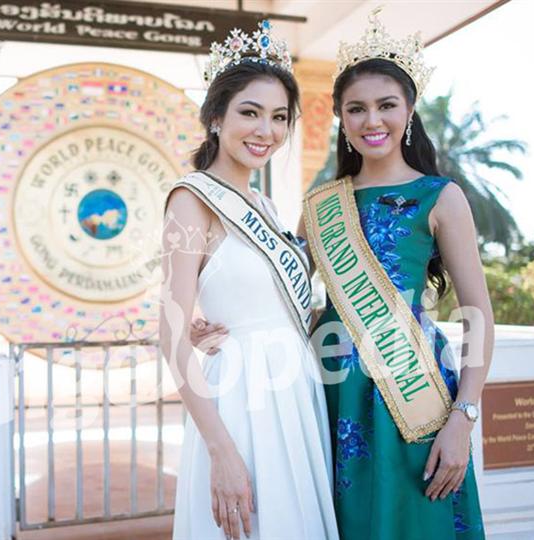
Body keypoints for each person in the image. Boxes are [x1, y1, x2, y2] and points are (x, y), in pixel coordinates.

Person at [192, 10, 490, 539]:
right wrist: (214, 324)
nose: (372, 120)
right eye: (357, 109)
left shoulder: (440, 197)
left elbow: (479, 316)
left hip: (413, 395)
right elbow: (281, 294)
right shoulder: (320, 205)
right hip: (330, 396)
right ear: (341, 118)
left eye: (386, 106)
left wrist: (463, 419)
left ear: (409, 111)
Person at [160, 21, 338, 540]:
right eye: (250, 112)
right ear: (215, 118)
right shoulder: (191, 202)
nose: (266, 130)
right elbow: (170, 337)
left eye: (279, 117)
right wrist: (220, 449)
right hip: (240, 402)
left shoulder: (265, 205)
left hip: (294, 391)